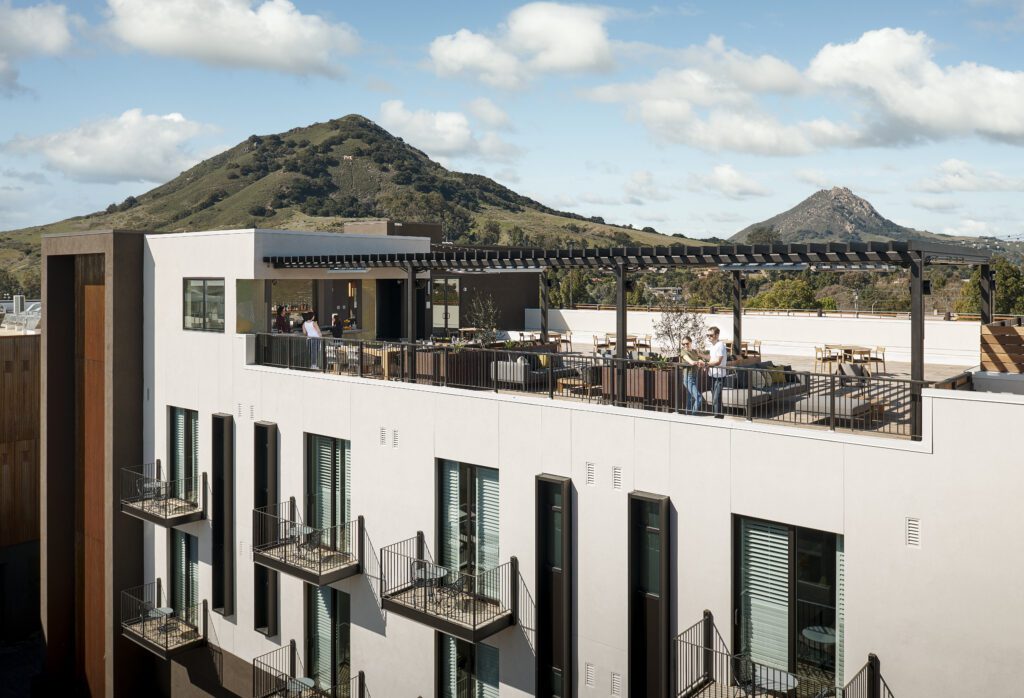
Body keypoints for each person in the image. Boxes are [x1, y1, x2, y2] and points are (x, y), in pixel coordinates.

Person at [701, 326, 728, 418]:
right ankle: (720, 415)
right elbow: (711, 358)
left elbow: (718, 361)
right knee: (716, 398)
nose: (709, 337)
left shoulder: (720, 345)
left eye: (711, 335)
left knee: (716, 398)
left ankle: (718, 416)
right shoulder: (713, 346)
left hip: (719, 376)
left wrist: (707, 364)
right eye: (707, 335)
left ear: (717, 335)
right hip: (712, 375)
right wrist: (700, 354)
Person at [679, 336, 704, 414]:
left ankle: (688, 415)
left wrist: (700, 361)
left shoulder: (694, 352)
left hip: (695, 376)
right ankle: (693, 415)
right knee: (699, 398)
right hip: (688, 378)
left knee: (690, 399)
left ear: (691, 343)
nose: (685, 345)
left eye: (687, 343)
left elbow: (699, 360)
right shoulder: (683, 352)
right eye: (683, 344)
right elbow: (691, 362)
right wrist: (698, 362)